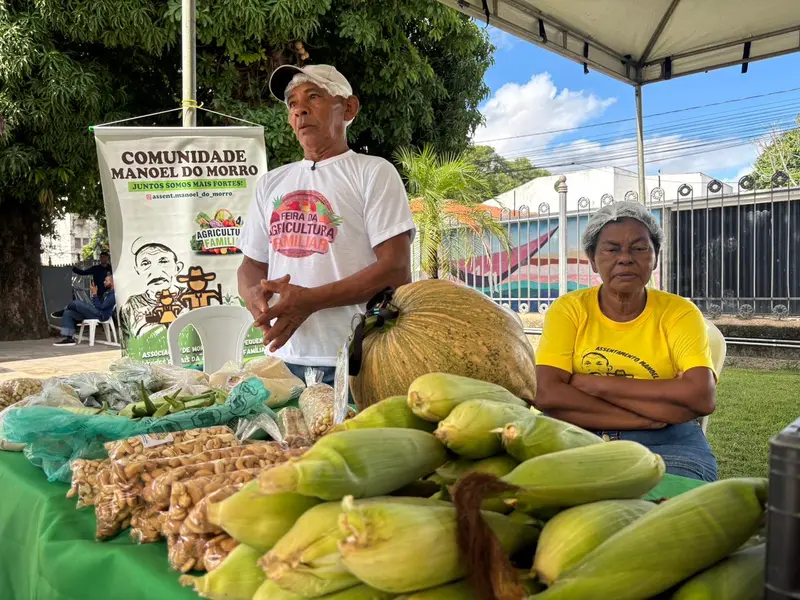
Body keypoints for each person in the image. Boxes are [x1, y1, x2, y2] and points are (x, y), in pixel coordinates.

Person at [237, 64, 415, 385]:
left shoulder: (373, 172)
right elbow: (250, 263)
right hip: (282, 361)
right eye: (292, 103)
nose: (300, 109)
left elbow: (396, 270)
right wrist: (254, 297)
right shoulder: (271, 183)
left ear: (348, 108)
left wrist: (310, 300)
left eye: (314, 96)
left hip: (358, 358)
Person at [534, 201, 718, 482]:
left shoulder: (679, 312)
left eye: (639, 248)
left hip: (669, 442)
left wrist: (595, 384)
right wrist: (644, 419)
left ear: (655, 257)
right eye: (611, 249)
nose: (625, 258)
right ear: (593, 260)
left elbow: (701, 397)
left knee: (671, 512)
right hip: (575, 434)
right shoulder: (569, 309)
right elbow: (546, 394)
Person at [121, 242, 186, 335]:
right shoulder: (130, 306)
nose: (155, 271)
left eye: (163, 261)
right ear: (137, 271)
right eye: (145, 263)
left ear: (177, 268)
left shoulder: (190, 297)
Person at [53, 274, 116, 346]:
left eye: (106, 281)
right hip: (95, 313)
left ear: (113, 282)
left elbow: (101, 307)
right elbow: (97, 305)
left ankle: (63, 311)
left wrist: (95, 294)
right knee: (68, 313)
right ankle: (69, 339)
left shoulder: (113, 295)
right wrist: (94, 295)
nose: (104, 282)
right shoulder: (107, 293)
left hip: (101, 315)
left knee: (76, 302)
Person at [51, 252, 112, 318]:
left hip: (103, 298)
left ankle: (66, 312)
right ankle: (66, 312)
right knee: (77, 306)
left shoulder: (111, 269)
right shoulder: (96, 268)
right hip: (98, 294)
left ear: (108, 258)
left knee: (76, 304)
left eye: (104, 257)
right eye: (101, 257)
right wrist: (73, 268)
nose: (102, 258)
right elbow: (83, 272)